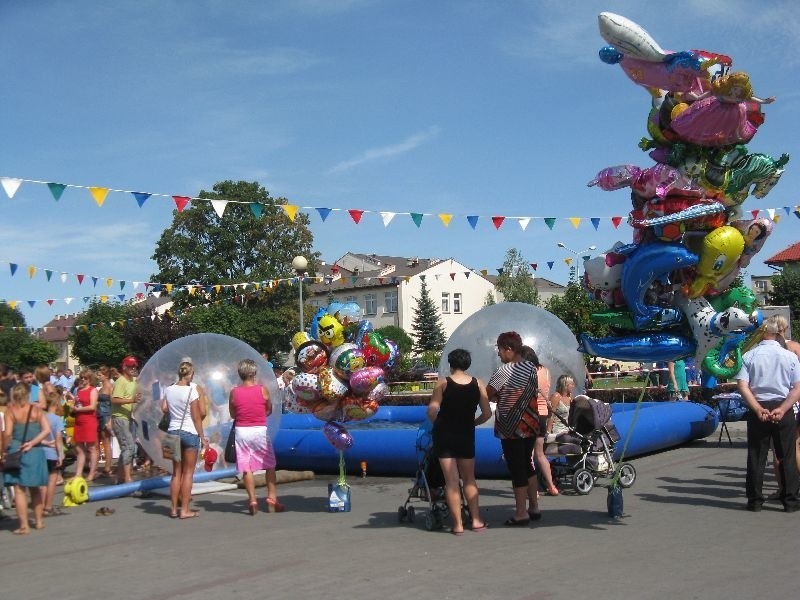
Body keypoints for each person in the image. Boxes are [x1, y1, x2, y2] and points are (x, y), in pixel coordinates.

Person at [735, 316, 800, 512]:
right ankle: (790, 501)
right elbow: (797, 387)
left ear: (762, 333)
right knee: (786, 455)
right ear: (777, 333)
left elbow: (742, 386)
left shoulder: (748, 356)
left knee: (756, 455)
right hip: (783, 406)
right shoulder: (789, 356)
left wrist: (757, 408)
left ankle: (755, 501)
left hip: (759, 407)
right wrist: (783, 408)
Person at [426, 348, 491, 535]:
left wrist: (437, 424)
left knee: (451, 481)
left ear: (450, 364)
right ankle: (477, 520)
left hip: (445, 435)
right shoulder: (478, 383)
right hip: (465, 434)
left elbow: (432, 410)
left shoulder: (443, 384)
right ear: (467, 363)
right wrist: (473, 423)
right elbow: (487, 413)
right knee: (469, 479)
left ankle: (458, 525)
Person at [487, 331, 542, 525]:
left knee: (517, 468)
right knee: (528, 464)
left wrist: (498, 397)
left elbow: (488, 393)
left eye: (500, 349)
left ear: (509, 349)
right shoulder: (531, 367)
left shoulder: (504, 371)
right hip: (532, 424)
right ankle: (534, 506)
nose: (499, 354)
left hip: (511, 428)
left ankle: (521, 513)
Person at [229, 358, 283, 515]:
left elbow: (233, 414)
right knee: (269, 465)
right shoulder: (262, 390)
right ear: (254, 373)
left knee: (246, 468)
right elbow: (269, 410)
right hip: (259, 429)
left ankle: (252, 500)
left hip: (242, 431)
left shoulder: (235, 392)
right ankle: (272, 498)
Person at [160, 361, 207, 519]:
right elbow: (196, 417)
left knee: (176, 473)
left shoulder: (169, 389)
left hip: (172, 432)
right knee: (188, 474)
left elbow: (164, 408)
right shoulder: (191, 391)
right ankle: (185, 510)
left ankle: (173, 509)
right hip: (189, 432)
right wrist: (203, 437)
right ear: (191, 374)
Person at [2, 384, 51, 534]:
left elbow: (8, 434)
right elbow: (46, 430)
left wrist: (3, 451)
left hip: (17, 450)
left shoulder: (11, 412)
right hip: (35, 451)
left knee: (19, 490)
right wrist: (33, 442)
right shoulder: (36, 410)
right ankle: (39, 521)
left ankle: (24, 525)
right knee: (35, 489)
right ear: (28, 395)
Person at [521, 345, 559, 497]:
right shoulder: (546, 371)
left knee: (528, 456)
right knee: (540, 454)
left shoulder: (526, 373)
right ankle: (552, 486)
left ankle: (534, 490)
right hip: (543, 415)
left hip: (530, 415)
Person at [111, 356, 142, 485]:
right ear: (124, 367)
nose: (133, 368)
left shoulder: (133, 381)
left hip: (128, 417)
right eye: (130, 366)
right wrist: (132, 400)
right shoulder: (121, 381)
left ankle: (120, 478)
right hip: (119, 417)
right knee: (129, 446)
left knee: (126, 448)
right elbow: (114, 399)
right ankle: (128, 479)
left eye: (135, 366)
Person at [72, 368, 99, 481]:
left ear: (90, 379)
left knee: (92, 447)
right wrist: (73, 408)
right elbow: (76, 403)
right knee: (79, 448)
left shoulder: (92, 390)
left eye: (85, 378)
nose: (83, 380)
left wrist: (79, 409)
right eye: (81, 378)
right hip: (79, 420)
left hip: (89, 420)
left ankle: (92, 473)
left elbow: (92, 406)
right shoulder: (79, 390)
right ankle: (78, 473)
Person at [42, 390, 65, 516]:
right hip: (52, 453)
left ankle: (40, 506)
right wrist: (60, 455)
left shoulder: (41, 417)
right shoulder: (57, 419)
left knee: (42, 482)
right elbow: (58, 439)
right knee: (51, 481)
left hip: (41, 452)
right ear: (56, 403)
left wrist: (45, 443)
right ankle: (48, 506)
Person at [96, 366, 115, 477]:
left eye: (100, 375)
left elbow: (113, 403)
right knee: (102, 441)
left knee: (106, 442)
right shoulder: (102, 386)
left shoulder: (109, 386)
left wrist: (110, 420)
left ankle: (108, 467)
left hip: (106, 415)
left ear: (106, 376)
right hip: (100, 414)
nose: (98, 377)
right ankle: (105, 466)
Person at [548, 374, 575, 440]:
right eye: (571, 384)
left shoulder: (570, 397)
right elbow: (551, 416)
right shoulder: (556, 396)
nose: (573, 386)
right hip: (557, 430)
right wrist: (548, 433)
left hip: (567, 429)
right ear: (565, 385)